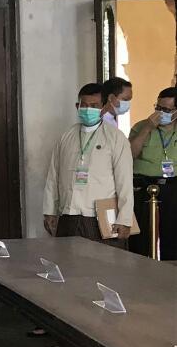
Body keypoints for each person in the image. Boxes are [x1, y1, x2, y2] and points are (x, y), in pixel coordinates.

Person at [43, 82, 134, 248]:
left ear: (104, 107)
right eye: (84, 105)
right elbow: (53, 176)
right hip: (69, 214)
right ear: (77, 106)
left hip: (101, 217)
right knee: (66, 261)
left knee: (105, 261)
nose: (88, 109)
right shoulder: (67, 136)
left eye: (94, 106)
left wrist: (125, 219)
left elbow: (125, 181)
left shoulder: (115, 137)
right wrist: (49, 211)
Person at [128, 86, 177, 260]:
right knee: (140, 240)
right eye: (158, 107)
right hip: (143, 187)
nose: (160, 113)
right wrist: (148, 128)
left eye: (166, 110)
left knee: (171, 238)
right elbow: (130, 154)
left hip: (172, 188)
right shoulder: (141, 126)